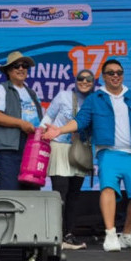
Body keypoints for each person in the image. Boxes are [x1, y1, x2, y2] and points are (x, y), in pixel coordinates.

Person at [43, 59, 131, 252]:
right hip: (109, 152)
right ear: (104, 76)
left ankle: (127, 234)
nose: (115, 76)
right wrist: (59, 130)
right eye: (111, 72)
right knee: (108, 189)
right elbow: (81, 120)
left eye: (119, 72)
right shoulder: (96, 99)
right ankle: (111, 234)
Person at [40, 69, 96, 250]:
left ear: (94, 82)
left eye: (89, 79)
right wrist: (40, 136)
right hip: (60, 147)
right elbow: (48, 117)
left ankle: (68, 234)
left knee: (74, 195)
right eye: (81, 78)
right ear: (75, 80)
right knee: (60, 193)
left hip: (80, 150)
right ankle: (55, 234)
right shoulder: (63, 96)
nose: (84, 81)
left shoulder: (95, 101)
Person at [0, 51, 44, 190]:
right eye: (16, 66)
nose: (21, 68)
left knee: (32, 191)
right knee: (10, 191)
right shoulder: (2, 89)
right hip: (10, 148)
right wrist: (21, 123)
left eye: (24, 65)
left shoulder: (31, 92)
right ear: (8, 70)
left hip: (32, 147)